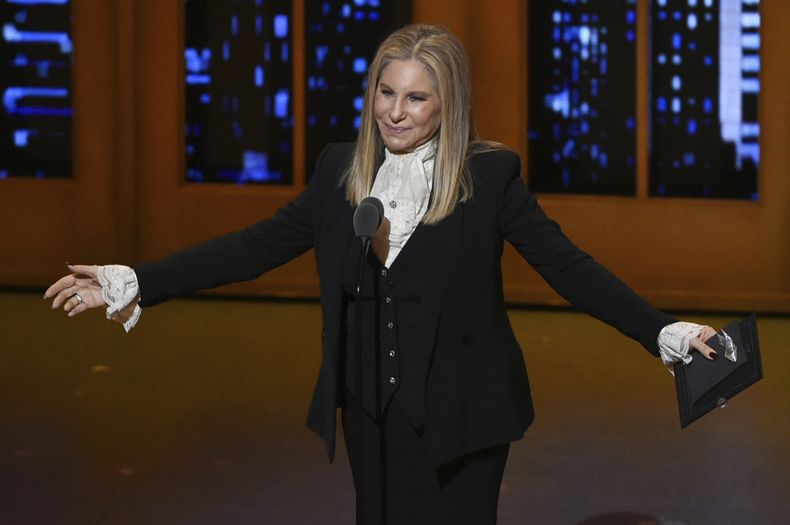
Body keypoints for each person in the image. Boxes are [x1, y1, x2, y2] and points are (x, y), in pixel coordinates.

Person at [45, 24, 718, 525]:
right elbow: (252, 247)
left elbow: (570, 269)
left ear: (448, 104)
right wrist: (134, 279)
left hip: (463, 417)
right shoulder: (341, 171)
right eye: (386, 92)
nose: (396, 112)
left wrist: (664, 331)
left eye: (416, 98)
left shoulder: (488, 178)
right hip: (371, 412)